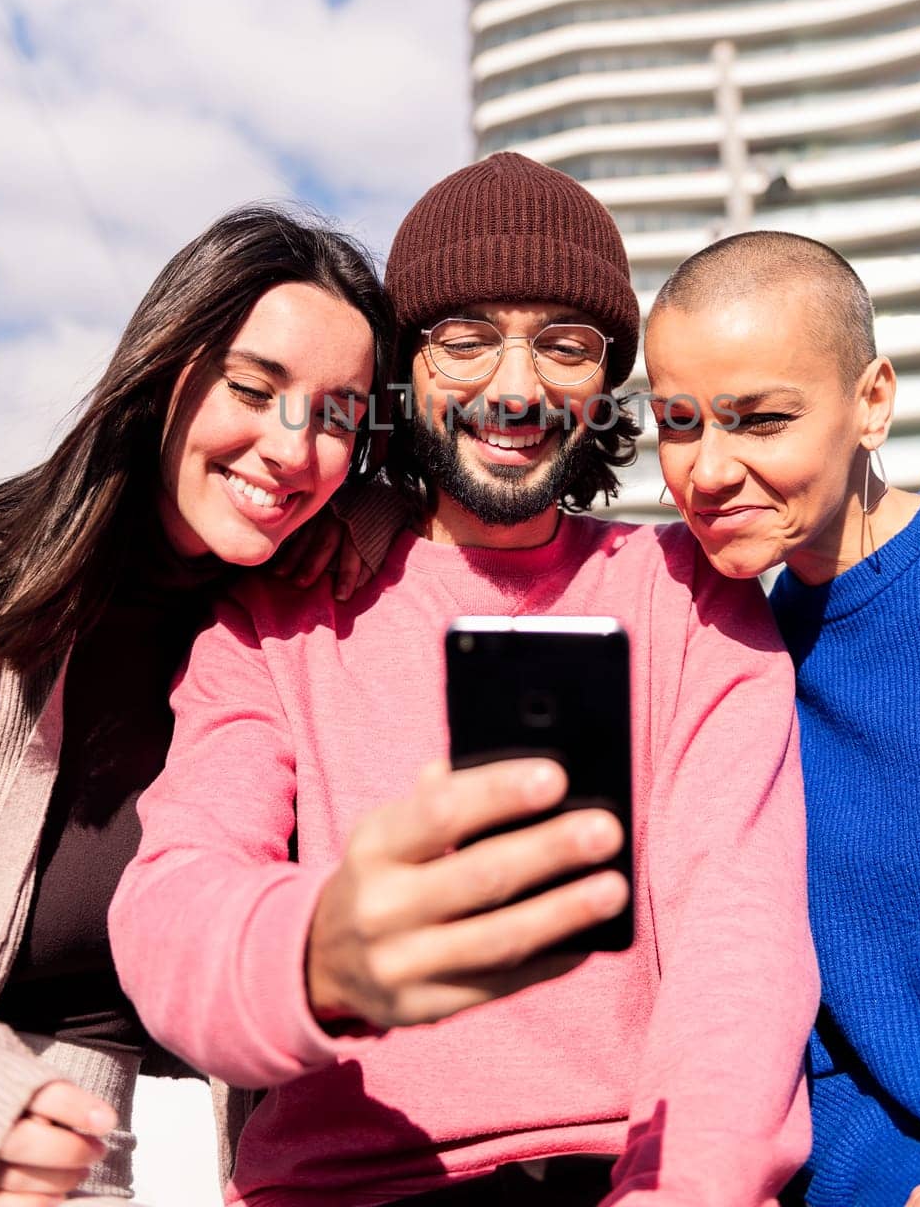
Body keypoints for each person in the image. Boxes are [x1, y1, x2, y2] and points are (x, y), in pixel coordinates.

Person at [110, 152, 818, 1207]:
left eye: (565, 345)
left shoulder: (688, 598)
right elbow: (177, 900)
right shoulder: (279, 612)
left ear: (605, 376)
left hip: (630, 1172)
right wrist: (319, 953)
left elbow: (739, 944)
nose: (517, 386)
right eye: (467, 337)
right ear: (405, 366)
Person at [0, 203, 396, 1206]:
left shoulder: (288, 618)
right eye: (254, 387)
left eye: (338, 416)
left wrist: (376, 511)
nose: (293, 446)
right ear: (163, 370)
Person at [643, 230, 920, 1207]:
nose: (705, 471)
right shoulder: (733, 679)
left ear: (870, 402)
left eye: (760, 420)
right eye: (677, 421)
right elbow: (796, 1051)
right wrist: (912, 1188)